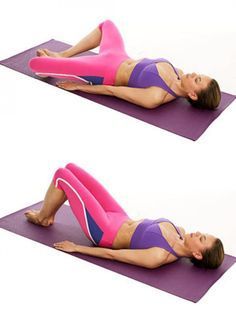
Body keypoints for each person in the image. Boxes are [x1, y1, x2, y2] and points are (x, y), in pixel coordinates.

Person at [24, 163, 224, 269]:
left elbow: (114, 255)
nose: (198, 233)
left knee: (62, 174)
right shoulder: (180, 231)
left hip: (104, 231)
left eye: (202, 238)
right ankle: (48, 212)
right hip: (118, 215)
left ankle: (44, 218)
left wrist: (77, 248)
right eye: (203, 233)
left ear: (197, 254)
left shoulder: (159, 256)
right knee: (71, 167)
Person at [29, 20, 221, 110]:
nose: (194, 72)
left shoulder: (156, 96)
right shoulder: (177, 71)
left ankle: (57, 63)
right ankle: (63, 55)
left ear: (193, 94)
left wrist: (80, 86)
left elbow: (114, 91)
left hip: (103, 70)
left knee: (36, 64)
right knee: (107, 25)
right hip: (118, 55)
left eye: (197, 79)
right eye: (199, 74)